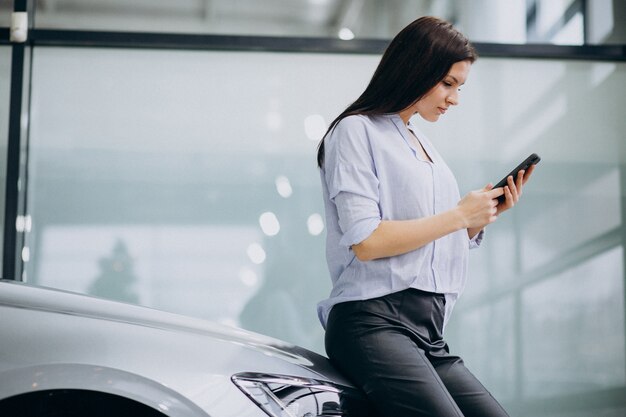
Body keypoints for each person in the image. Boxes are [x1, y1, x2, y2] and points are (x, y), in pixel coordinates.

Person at [316, 16, 535, 417]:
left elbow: (427, 238)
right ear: (415, 70)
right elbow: (367, 242)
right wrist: (456, 216)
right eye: (448, 84)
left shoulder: (422, 144)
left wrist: (474, 221)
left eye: (460, 87)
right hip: (373, 321)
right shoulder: (355, 131)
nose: (454, 98)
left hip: (428, 331)